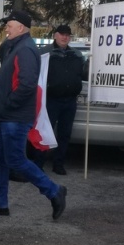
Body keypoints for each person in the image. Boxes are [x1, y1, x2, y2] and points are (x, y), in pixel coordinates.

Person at [0, 10, 67, 220]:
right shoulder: (16, 46)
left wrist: (7, 105)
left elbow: (27, 85)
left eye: (10, 24)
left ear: (21, 27)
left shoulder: (25, 49)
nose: (6, 27)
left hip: (14, 116)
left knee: (15, 159)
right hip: (6, 116)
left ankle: (54, 190)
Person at [37, 24, 85, 176]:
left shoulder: (77, 55)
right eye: (62, 34)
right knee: (44, 132)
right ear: (55, 35)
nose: (65, 37)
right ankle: (38, 163)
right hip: (50, 99)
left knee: (65, 134)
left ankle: (59, 163)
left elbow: (82, 74)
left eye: (67, 35)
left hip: (69, 100)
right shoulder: (45, 53)